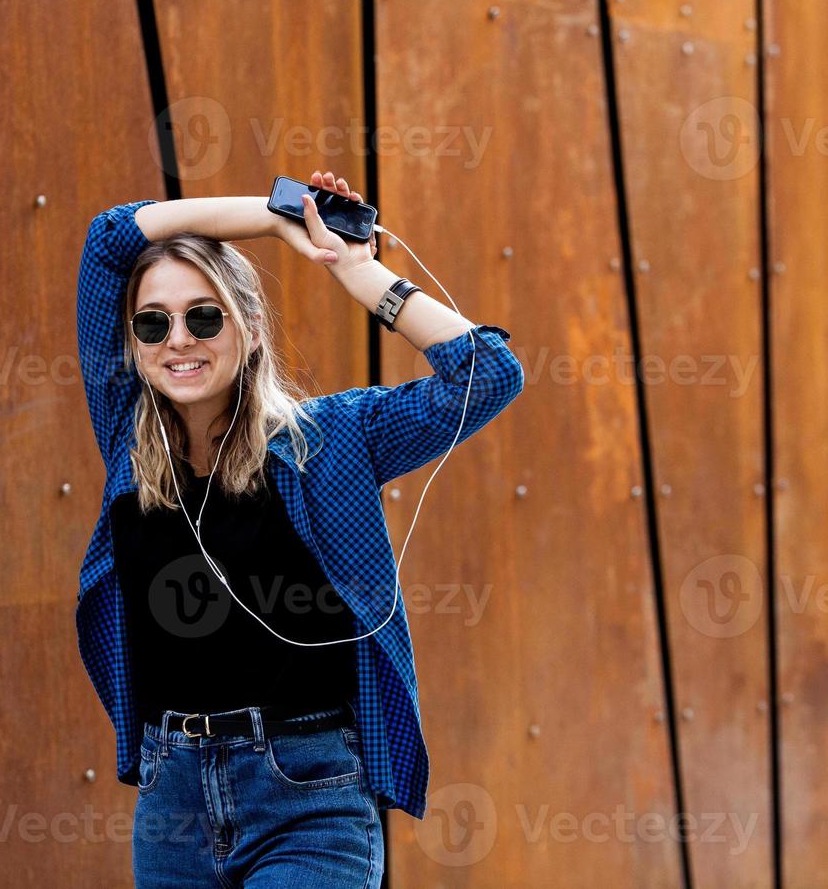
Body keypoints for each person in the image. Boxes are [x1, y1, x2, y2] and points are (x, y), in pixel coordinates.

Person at [74, 169, 525, 887]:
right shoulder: (129, 443)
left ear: (250, 330)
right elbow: (110, 239)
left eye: (205, 316)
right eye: (153, 322)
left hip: (307, 794)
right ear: (132, 342)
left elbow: (486, 373)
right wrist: (275, 216)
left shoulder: (333, 438)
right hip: (172, 804)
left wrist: (357, 268)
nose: (178, 340)